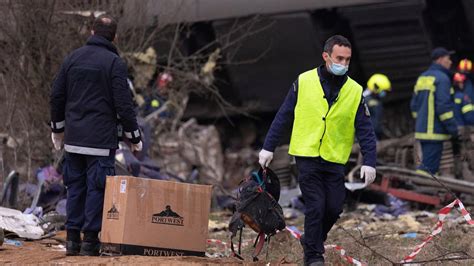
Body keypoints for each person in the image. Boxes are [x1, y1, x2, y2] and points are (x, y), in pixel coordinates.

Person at [258, 35, 376, 265]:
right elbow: (283, 115)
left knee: (334, 207)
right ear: (326, 56)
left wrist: (370, 161)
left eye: (347, 60)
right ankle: (313, 257)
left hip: (334, 158)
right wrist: (268, 147)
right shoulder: (303, 81)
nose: (343, 63)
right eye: (339, 58)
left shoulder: (354, 90)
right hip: (307, 155)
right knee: (316, 206)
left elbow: (365, 129)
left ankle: (311, 240)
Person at [50, 14, 143, 256]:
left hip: (73, 141)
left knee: (75, 188)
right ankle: (90, 243)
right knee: (96, 189)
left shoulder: (72, 58)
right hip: (100, 142)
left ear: (91, 32)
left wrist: (57, 129)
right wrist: (134, 136)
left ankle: (72, 240)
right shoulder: (114, 63)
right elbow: (124, 104)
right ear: (115, 37)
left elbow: (57, 95)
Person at [410, 47, 458, 175]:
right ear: (441, 60)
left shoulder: (422, 77)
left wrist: (421, 121)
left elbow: (414, 106)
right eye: (448, 59)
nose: (450, 62)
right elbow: (443, 109)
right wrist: (453, 129)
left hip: (422, 131)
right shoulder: (442, 79)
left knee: (428, 167)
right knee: (429, 170)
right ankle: (419, 190)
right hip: (435, 132)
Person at [363, 73, 391, 139]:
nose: (384, 93)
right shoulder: (364, 101)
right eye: (383, 91)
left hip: (376, 134)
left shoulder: (377, 99)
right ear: (376, 87)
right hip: (368, 136)